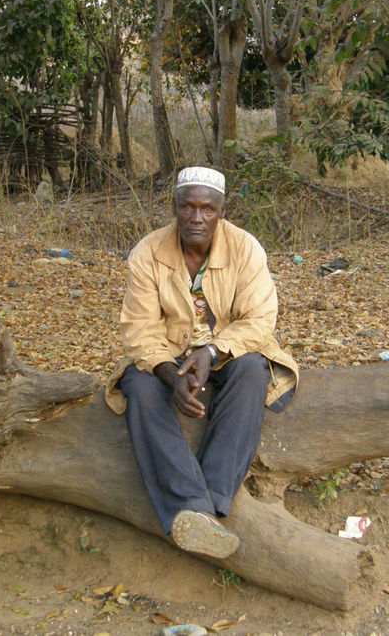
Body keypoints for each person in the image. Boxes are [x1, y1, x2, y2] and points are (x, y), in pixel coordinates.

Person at [105, 166, 299, 559]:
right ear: (172, 207)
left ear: (221, 211)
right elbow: (139, 329)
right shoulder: (148, 252)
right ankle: (191, 508)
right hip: (169, 353)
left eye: (207, 209)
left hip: (229, 351)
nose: (197, 218)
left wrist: (211, 353)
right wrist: (169, 373)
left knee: (252, 370)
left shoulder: (245, 249)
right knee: (139, 387)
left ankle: (209, 500)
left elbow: (259, 320)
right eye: (188, 207)